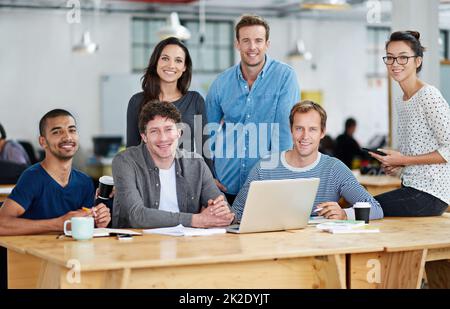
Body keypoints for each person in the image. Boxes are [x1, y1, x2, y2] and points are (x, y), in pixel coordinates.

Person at [232, 101, 383, 221]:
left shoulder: (334, 169)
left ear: (322, 132)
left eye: (312, 129)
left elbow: (375, 208)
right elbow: (237, 212)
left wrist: (345, 214)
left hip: (319, 251)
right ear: (291, 130)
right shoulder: (264, 168)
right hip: (274, 248)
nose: (305, 136)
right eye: (299, 128)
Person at [206, 14, 300, 204]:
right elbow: (207, 132)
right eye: (246, 41)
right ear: (237, 44)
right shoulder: (221, 83)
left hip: (266, 183)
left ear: (267, 44)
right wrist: (207, 177)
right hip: (225, 185)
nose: (252, 47)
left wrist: (280, 176)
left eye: (258, 40)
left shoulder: (285, 77)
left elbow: (284, 131)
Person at [112, 101, 234, 229]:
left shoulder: (196, 164)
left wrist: (223, 213)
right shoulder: (125, 162)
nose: (163, 138)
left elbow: (226, 211)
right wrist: (196, 220)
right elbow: (136, 216)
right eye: (154, 131)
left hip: (185, 244)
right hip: (136, 244)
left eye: (168, 129)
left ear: (179, 133)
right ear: (144, 137)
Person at [370, 31, 450, 216]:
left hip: (431, 193)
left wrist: (404, 160)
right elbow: (419, 150)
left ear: (418, 61)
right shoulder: (402, 100)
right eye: (390, 58)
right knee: (363, 205)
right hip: (412, 188)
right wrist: (399, 163)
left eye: (403, 58)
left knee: (362, 207)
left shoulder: (428, 96)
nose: (395, 64)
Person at [0, 109, 111, 236]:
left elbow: (83, 225)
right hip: (34, 252)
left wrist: (98, 221)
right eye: (57, 132)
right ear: (43, 142)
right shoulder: (32, 178)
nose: (67, 137)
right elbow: (2, 224)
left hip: (69, 253)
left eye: (72, 130)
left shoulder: (84, 182)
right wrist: (59, 223)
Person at [126, 37, 212, 171]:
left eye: (178, 60)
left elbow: (204, 147)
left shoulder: (195, 100)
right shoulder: (137, 102)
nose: (171, 65)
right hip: (148, 179)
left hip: (186, 178)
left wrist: (211, 178)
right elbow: (132, 149)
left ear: (184, 67)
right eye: (165, 58)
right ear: (156, 62)